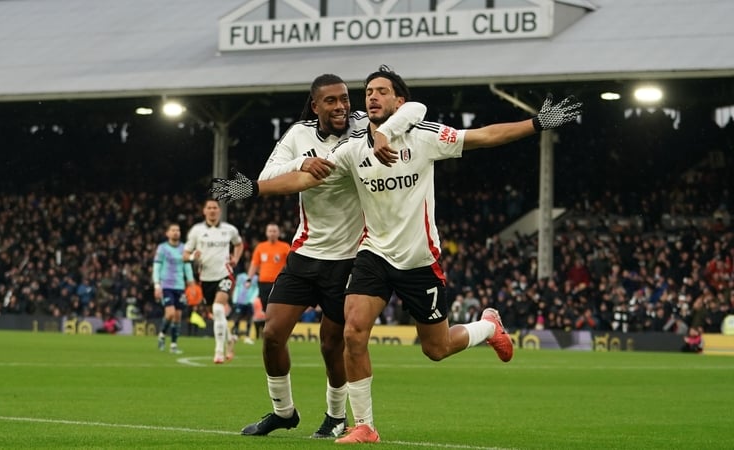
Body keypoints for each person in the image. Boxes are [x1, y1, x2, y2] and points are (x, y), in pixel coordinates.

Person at [212, 65, 582, 443]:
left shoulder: (424, 136)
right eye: (368, 91)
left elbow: (483, 136)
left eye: (381, 91)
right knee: (353, 332)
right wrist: (253, 189)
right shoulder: (353, 147)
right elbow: (306, 178)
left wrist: (536, 123)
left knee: (436, 349)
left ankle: (488, 326)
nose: (370, 96)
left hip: (419, 259)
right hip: (371, 253)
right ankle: (364, 426)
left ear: (398, 100)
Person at [239, 73, 427, 439]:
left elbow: (416, 108)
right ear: (315, 105)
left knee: (331, 342)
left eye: (345, 98)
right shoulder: (298, 135)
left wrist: (387, 131)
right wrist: (301, 164)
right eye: (331, 101)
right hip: (306, 251)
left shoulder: (366, 124)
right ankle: (283, 411)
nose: (342, 106)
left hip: (351, 256)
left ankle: (336, 416)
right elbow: (268, 175)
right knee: (273, 333)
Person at [183, 198, 243, 364]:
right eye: (209, 208)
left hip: (225, 274)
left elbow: (239, 244)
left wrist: (236, 259)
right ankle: (230, 338)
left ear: (219, 210)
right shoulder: (196, 231)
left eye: (215, 208)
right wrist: (193, 256)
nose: (212, 210)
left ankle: (218, 352)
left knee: (218, 308)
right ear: (204, 211)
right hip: (206, 279)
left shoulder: (229, 229)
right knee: (214, 313)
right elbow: (185, 254)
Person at [153, 223, 196, 354]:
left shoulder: (184, 248)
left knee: (177, 316)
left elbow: (187, 266)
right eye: (173, 230)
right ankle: (161, 335)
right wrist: (157, 284)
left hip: (179, 286)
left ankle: (173, 345)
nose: (176, 232)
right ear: (167, 233)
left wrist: (191, 282)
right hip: (166, 285)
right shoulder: (162, 248)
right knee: (170, 313)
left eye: (177, 230)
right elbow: (157, 266)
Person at [245, 222, 291, 344]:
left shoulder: (285, 247)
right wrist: (249, 279)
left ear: (278, 233)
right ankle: (270, 332)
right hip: (263, 283)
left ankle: (278, 331)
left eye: (274, 231)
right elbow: (254, 264)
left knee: (278, 307)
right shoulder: (261, 247)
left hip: (278, 283)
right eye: (270, 231)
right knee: (266, 309)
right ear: (266, 233)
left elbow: (291, 263)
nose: (272, 233)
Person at [232, 271, 259, 343]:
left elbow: (256, 289)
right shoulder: (241, 276)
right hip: (240, 301)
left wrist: (252, 300)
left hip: (249, 302)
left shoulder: (255, 278)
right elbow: (237, 287)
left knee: (249, 318)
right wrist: (235, 299)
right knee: (237, 317)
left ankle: (247, 337)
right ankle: (235, 335)